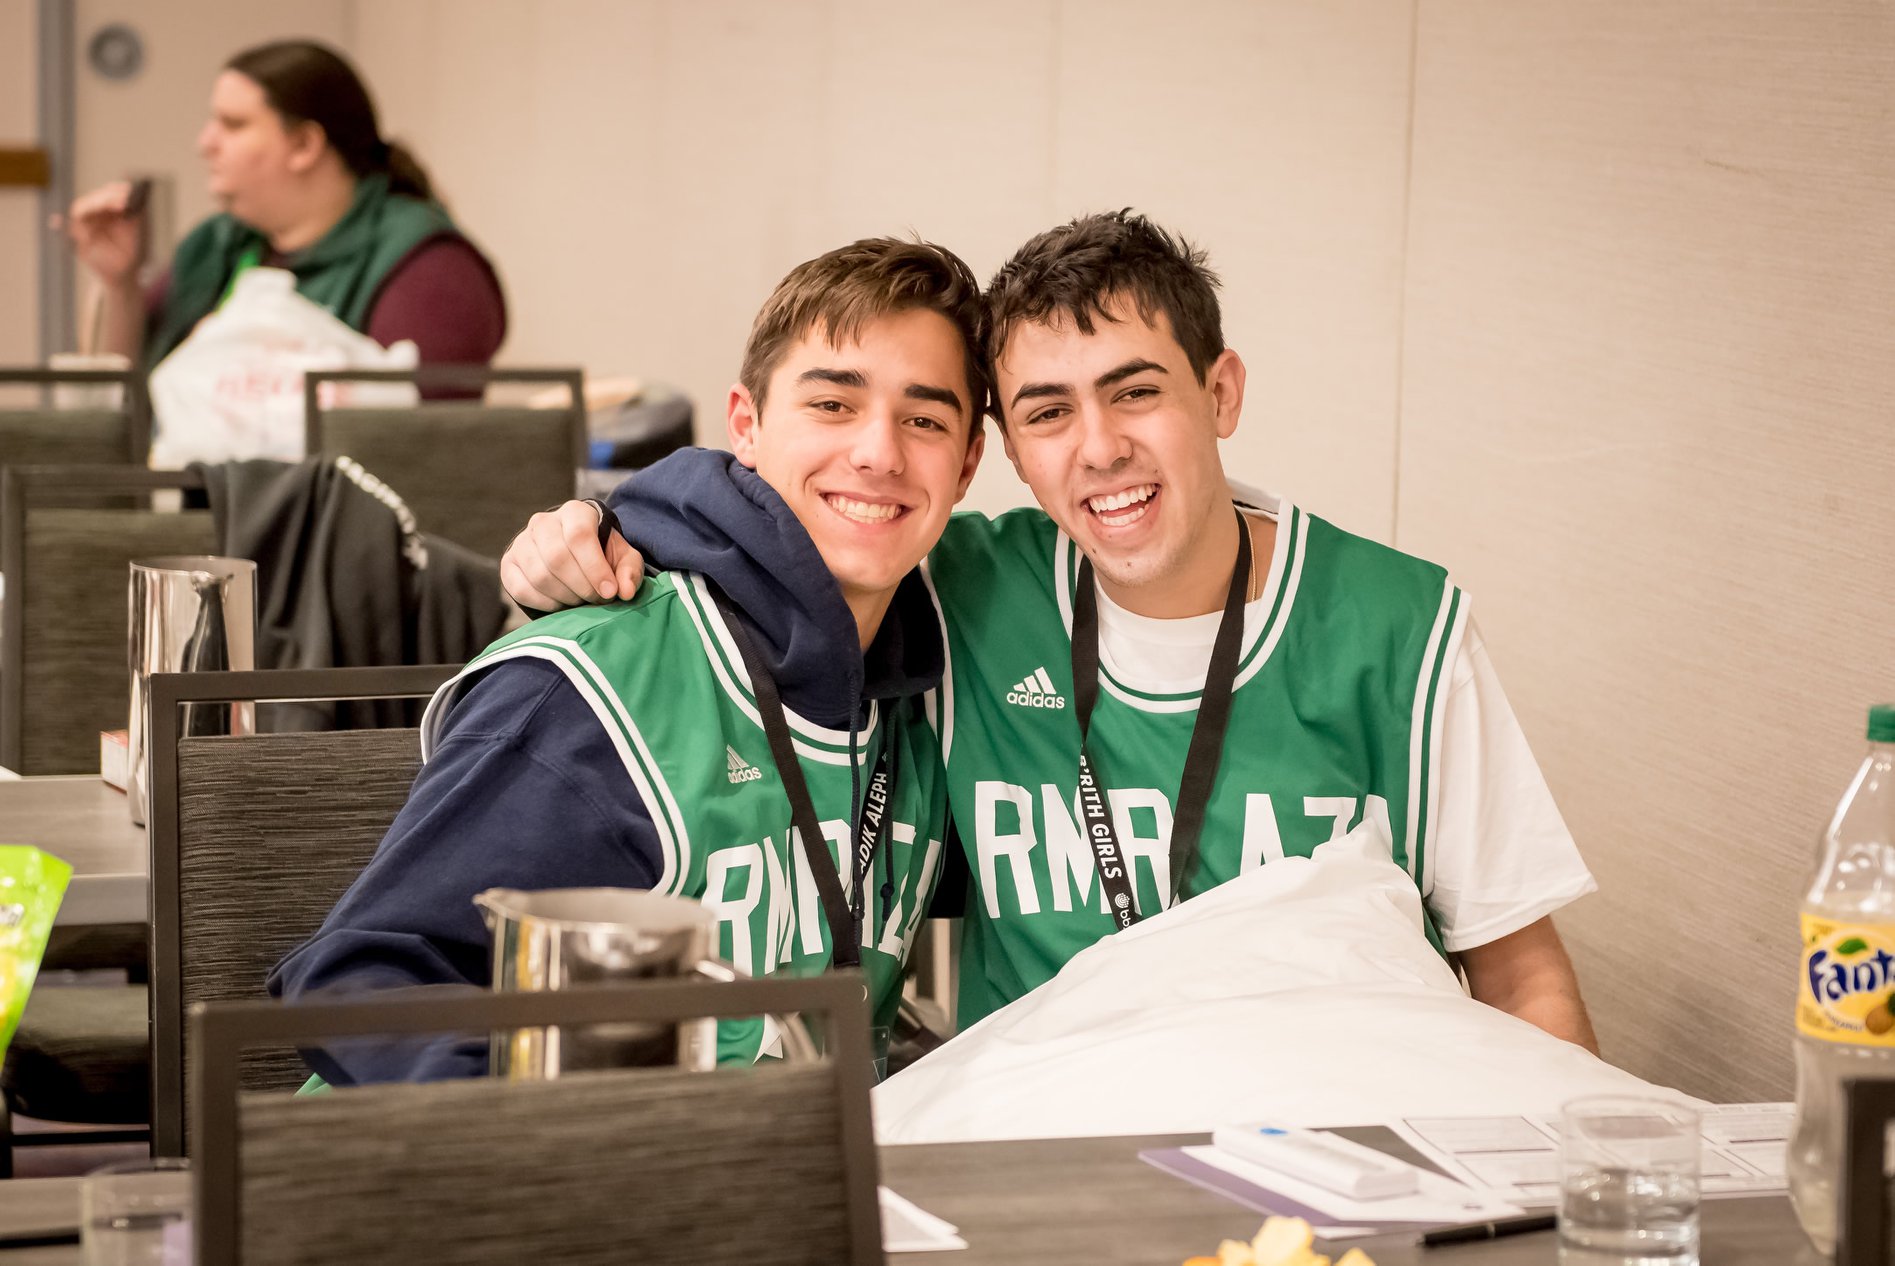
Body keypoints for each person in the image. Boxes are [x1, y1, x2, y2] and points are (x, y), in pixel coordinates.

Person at [502, 211, 1602, 1053]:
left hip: (1338, 1146)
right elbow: (785, 515)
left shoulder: (1400, 628)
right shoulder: (962, 588)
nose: (1099, 447)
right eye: (1046, 412)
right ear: (1007, 454)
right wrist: (600, 528)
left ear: (1220, 392)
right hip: (1034, 1149)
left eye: (1136, 392)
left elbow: (1520, 977)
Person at [267, 237, 987, 1082]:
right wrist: (596, 1149)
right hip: (479, 1156)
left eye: (925, 420)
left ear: (968, 463)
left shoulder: (927, 697)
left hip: (781, 1154)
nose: (878, 452)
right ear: (746, 425)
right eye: (832, 404)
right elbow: (354, 982)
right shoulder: (594, 688)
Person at [63, 39, 506, 375]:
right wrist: (118, 284)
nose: (205, 143)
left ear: (304, 145)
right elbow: (118, 402)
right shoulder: (214, 244)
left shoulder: (431, 270)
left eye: (233, 124)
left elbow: (414, 444)